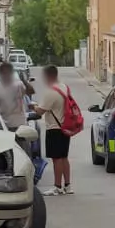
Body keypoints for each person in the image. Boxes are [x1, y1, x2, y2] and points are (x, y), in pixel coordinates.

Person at [39, 66, 73, 195]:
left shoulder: (51, 91)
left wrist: (34, 106)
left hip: (54, 128)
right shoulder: (64, 87)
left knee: (56, 158)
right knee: (64, 157)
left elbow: (41, 110)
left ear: (49, 76)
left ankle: (57, 186)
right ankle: (68, 186)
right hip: (65, 127)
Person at [0, 62, 28, 130]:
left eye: (8, 72)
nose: (6, 75)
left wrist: (24, 80)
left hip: (19, 125)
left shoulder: (19, 85)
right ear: (1, 74)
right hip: (3, 124)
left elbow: (29, 91)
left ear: (11, 73)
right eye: (4, 73)